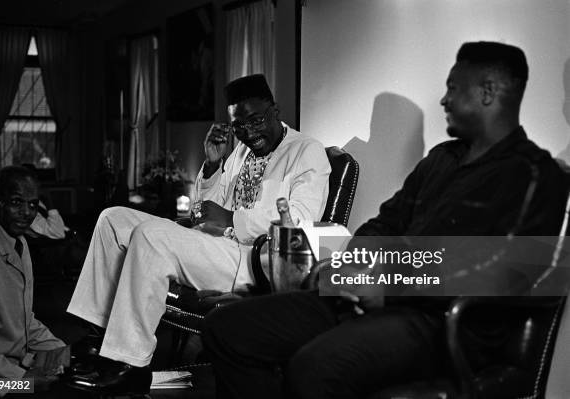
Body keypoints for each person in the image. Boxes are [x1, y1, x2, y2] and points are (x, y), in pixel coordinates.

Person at [201, 42, 569, 398]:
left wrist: (390, 283)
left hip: (441, 325)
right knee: (227, 328)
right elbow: (385, 222)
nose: (444, 99)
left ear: (488, 92)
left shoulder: (535, 174)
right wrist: (349, 266)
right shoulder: (441, 160)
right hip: (374, 299)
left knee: (313, 368)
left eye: (454, 88)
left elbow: (502, 270)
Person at [66, 74, 331, 393]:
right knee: (114, 218)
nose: (249, 131)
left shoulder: (306, 151)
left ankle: (130, 364)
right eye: (239, 126)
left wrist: (232, 218)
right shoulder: (242, 151)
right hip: (214, 244)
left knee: (152, 236)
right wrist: (211, 165)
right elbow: (209, 206)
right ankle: (101, 339)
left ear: (275, 110)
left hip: (250, 259)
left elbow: (300, 222)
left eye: (256, 119)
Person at [0, 166, 69, 394]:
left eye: (32, 204)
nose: (27, 213)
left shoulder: (19, 241)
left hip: (8, 367)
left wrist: (61, 350)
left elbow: (22, 320)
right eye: (17, 202)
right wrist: (21, 379)